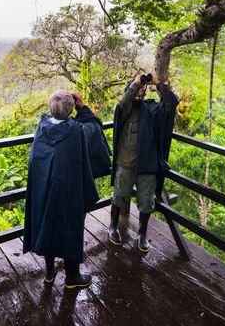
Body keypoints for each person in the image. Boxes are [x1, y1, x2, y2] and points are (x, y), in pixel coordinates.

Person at [23, 89, 108, 289]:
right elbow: (96, 127)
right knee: (72, 227)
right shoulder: (76, 131)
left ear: (51, 108)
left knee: (48, 222)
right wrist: (83, 106)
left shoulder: (41, 128)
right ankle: (72, 277)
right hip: (69, 190)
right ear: (70, 110)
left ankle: (49, 271)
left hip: (45, 187)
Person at [109, 73, 179, 252]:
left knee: (146, 201)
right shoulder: (126, 108)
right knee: (119, 195)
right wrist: (134, 84)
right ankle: (113, 226)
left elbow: (171, 102)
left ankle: (141, 233)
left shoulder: (153, 109)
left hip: (147, 165)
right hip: (126, 162)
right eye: (137, 88)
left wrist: (157, 83)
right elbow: (122, 104)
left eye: (142, 88)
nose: (140, 90)